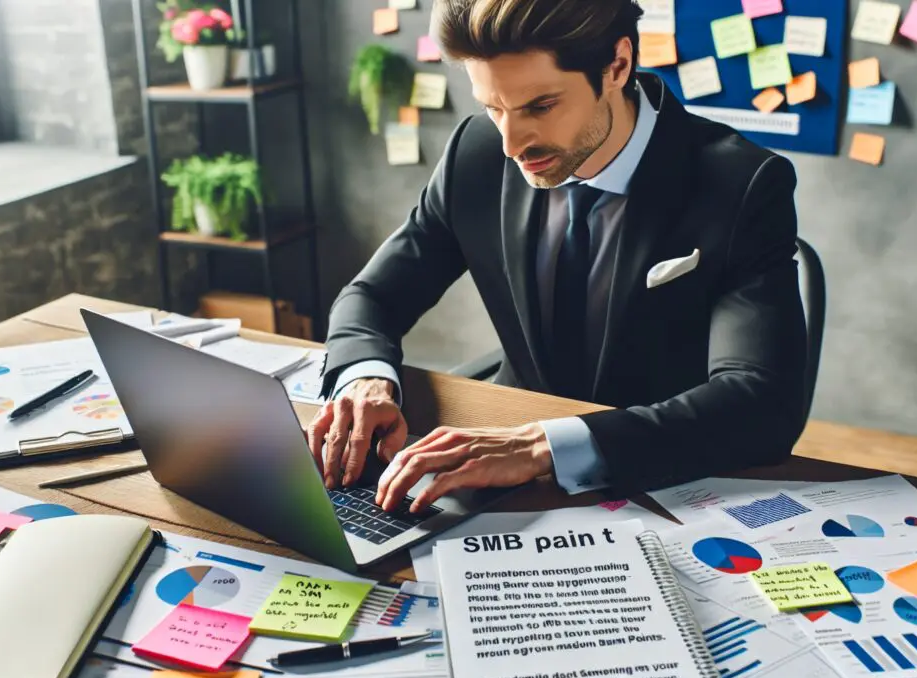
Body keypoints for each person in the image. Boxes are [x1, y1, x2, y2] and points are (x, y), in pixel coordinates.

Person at [308, 0, 808, 513]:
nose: (511, 143)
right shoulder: (476, 152)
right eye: (493, 107)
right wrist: (365, 379)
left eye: (540, 106)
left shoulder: (741, 184)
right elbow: (373, 294)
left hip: (661, 479)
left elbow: (762, 404)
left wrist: (545, 446)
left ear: (617, 66)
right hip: (500, 468)